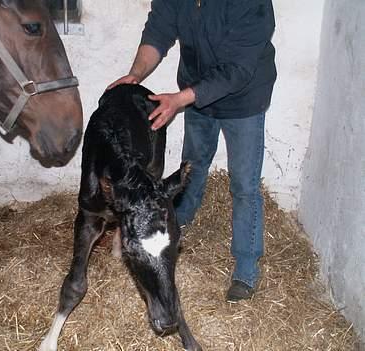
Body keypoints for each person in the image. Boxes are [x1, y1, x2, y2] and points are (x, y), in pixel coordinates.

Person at [108, 0, 277, 302]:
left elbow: (237, 71)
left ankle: (246, 269)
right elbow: (158, 31)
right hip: (196, 93)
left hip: (243, 100)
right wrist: (136, 74)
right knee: (193, 165)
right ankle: (182, 218)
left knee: (244, 185)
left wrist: (180, 99)